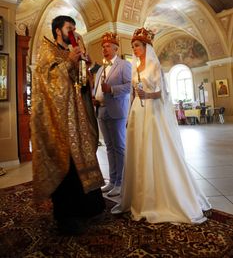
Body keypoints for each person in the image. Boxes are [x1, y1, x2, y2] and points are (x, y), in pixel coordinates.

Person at [111, 27, 212, 224]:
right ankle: (138, 196)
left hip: (153, 111)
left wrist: (148, 95)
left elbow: (163, 94)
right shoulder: (134, 66)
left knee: (154, 150)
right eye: (133, 46)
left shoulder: (154, 66)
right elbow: (133, 91)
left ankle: (159, 197)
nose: (135, 49)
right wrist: (130, 113)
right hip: (137, 111)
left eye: (138, 45)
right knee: (138, 151)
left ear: (146, 46)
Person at [31, 15, 105, 235]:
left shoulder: (73, 51)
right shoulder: (48, 51)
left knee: (84, 160)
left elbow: (82, 85)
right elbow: (47, 80)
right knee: (67, 165)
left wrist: (85, 64)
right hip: (60, 123)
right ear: (57, 31)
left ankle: (90, 208)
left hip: (79, 119)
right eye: (69, 28)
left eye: (74, 28)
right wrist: (69, 62)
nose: (73, 31)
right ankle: (66, 216)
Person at [93, 32, 132, 197]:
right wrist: (95, 98)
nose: (104, 49)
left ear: (116, 48)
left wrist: (112, 89)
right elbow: (98, 88)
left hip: (116, 111)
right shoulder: (101, 68)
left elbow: (130, 86)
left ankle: (121, 183)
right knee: (109, 147)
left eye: (108, 46)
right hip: (102, 110)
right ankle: (112, 181)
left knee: (119, 147)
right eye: (103, 47)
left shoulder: (124, 65)